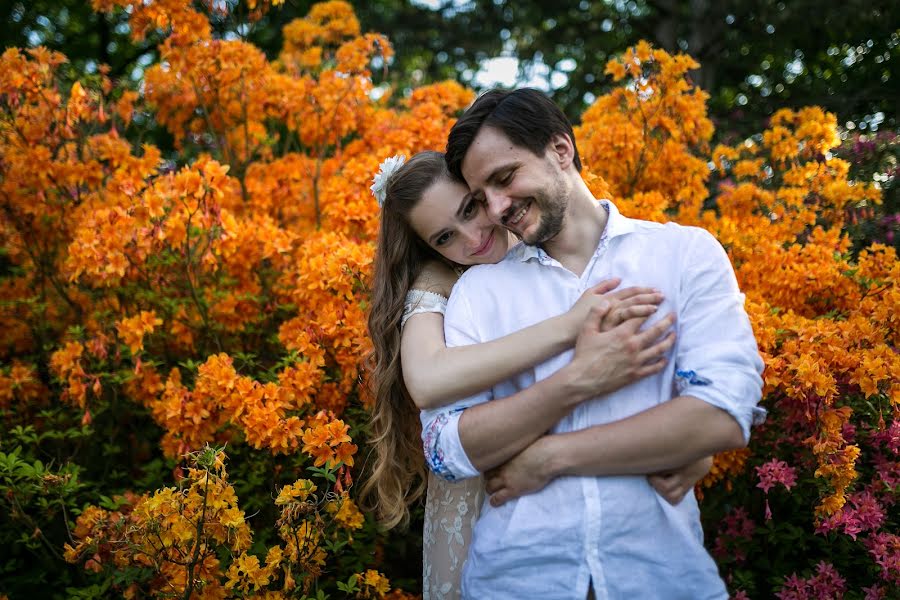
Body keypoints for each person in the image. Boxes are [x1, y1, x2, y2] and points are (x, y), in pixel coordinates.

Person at [418, 88, 766, 599]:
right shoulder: (479, 291)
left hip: (660, 576)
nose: (495, 209)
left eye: (504, 178)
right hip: (515, 582)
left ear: (560, 150)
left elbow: (720, 414)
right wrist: (576, 381)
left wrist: (551, 457)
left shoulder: (684, 255)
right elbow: (447, 448)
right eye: (480, 195)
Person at [361, 151, 714, 600]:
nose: (473, 239)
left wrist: (697, 444)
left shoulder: (577, 243)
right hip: (490, 484)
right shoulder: (444, 279)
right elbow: (428, 381)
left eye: (471, 208)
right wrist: (568, 329)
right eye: (445, 236)